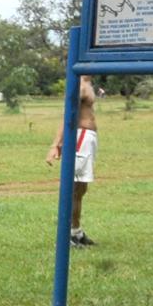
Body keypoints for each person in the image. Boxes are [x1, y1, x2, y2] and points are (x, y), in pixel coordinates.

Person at [44, 76, 98, 247]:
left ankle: (76, 232)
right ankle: (65, 236)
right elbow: (68, 114)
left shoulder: (88, 83)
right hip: (80, 136)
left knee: (81, 189)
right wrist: (56, 144)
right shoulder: (80, 85)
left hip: (88, 138)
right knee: (72, 188)